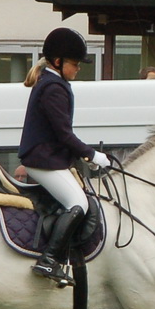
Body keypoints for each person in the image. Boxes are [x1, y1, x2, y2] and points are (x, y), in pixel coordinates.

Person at [18, 28, 110, 284]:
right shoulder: (53, 88)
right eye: (75, 63)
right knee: (78, 203)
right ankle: (48, 260)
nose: (78, 68)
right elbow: (64, 134)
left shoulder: (53, 83)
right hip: (43, 160)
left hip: (49, 157)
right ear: (58, 62)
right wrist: (92, 155)